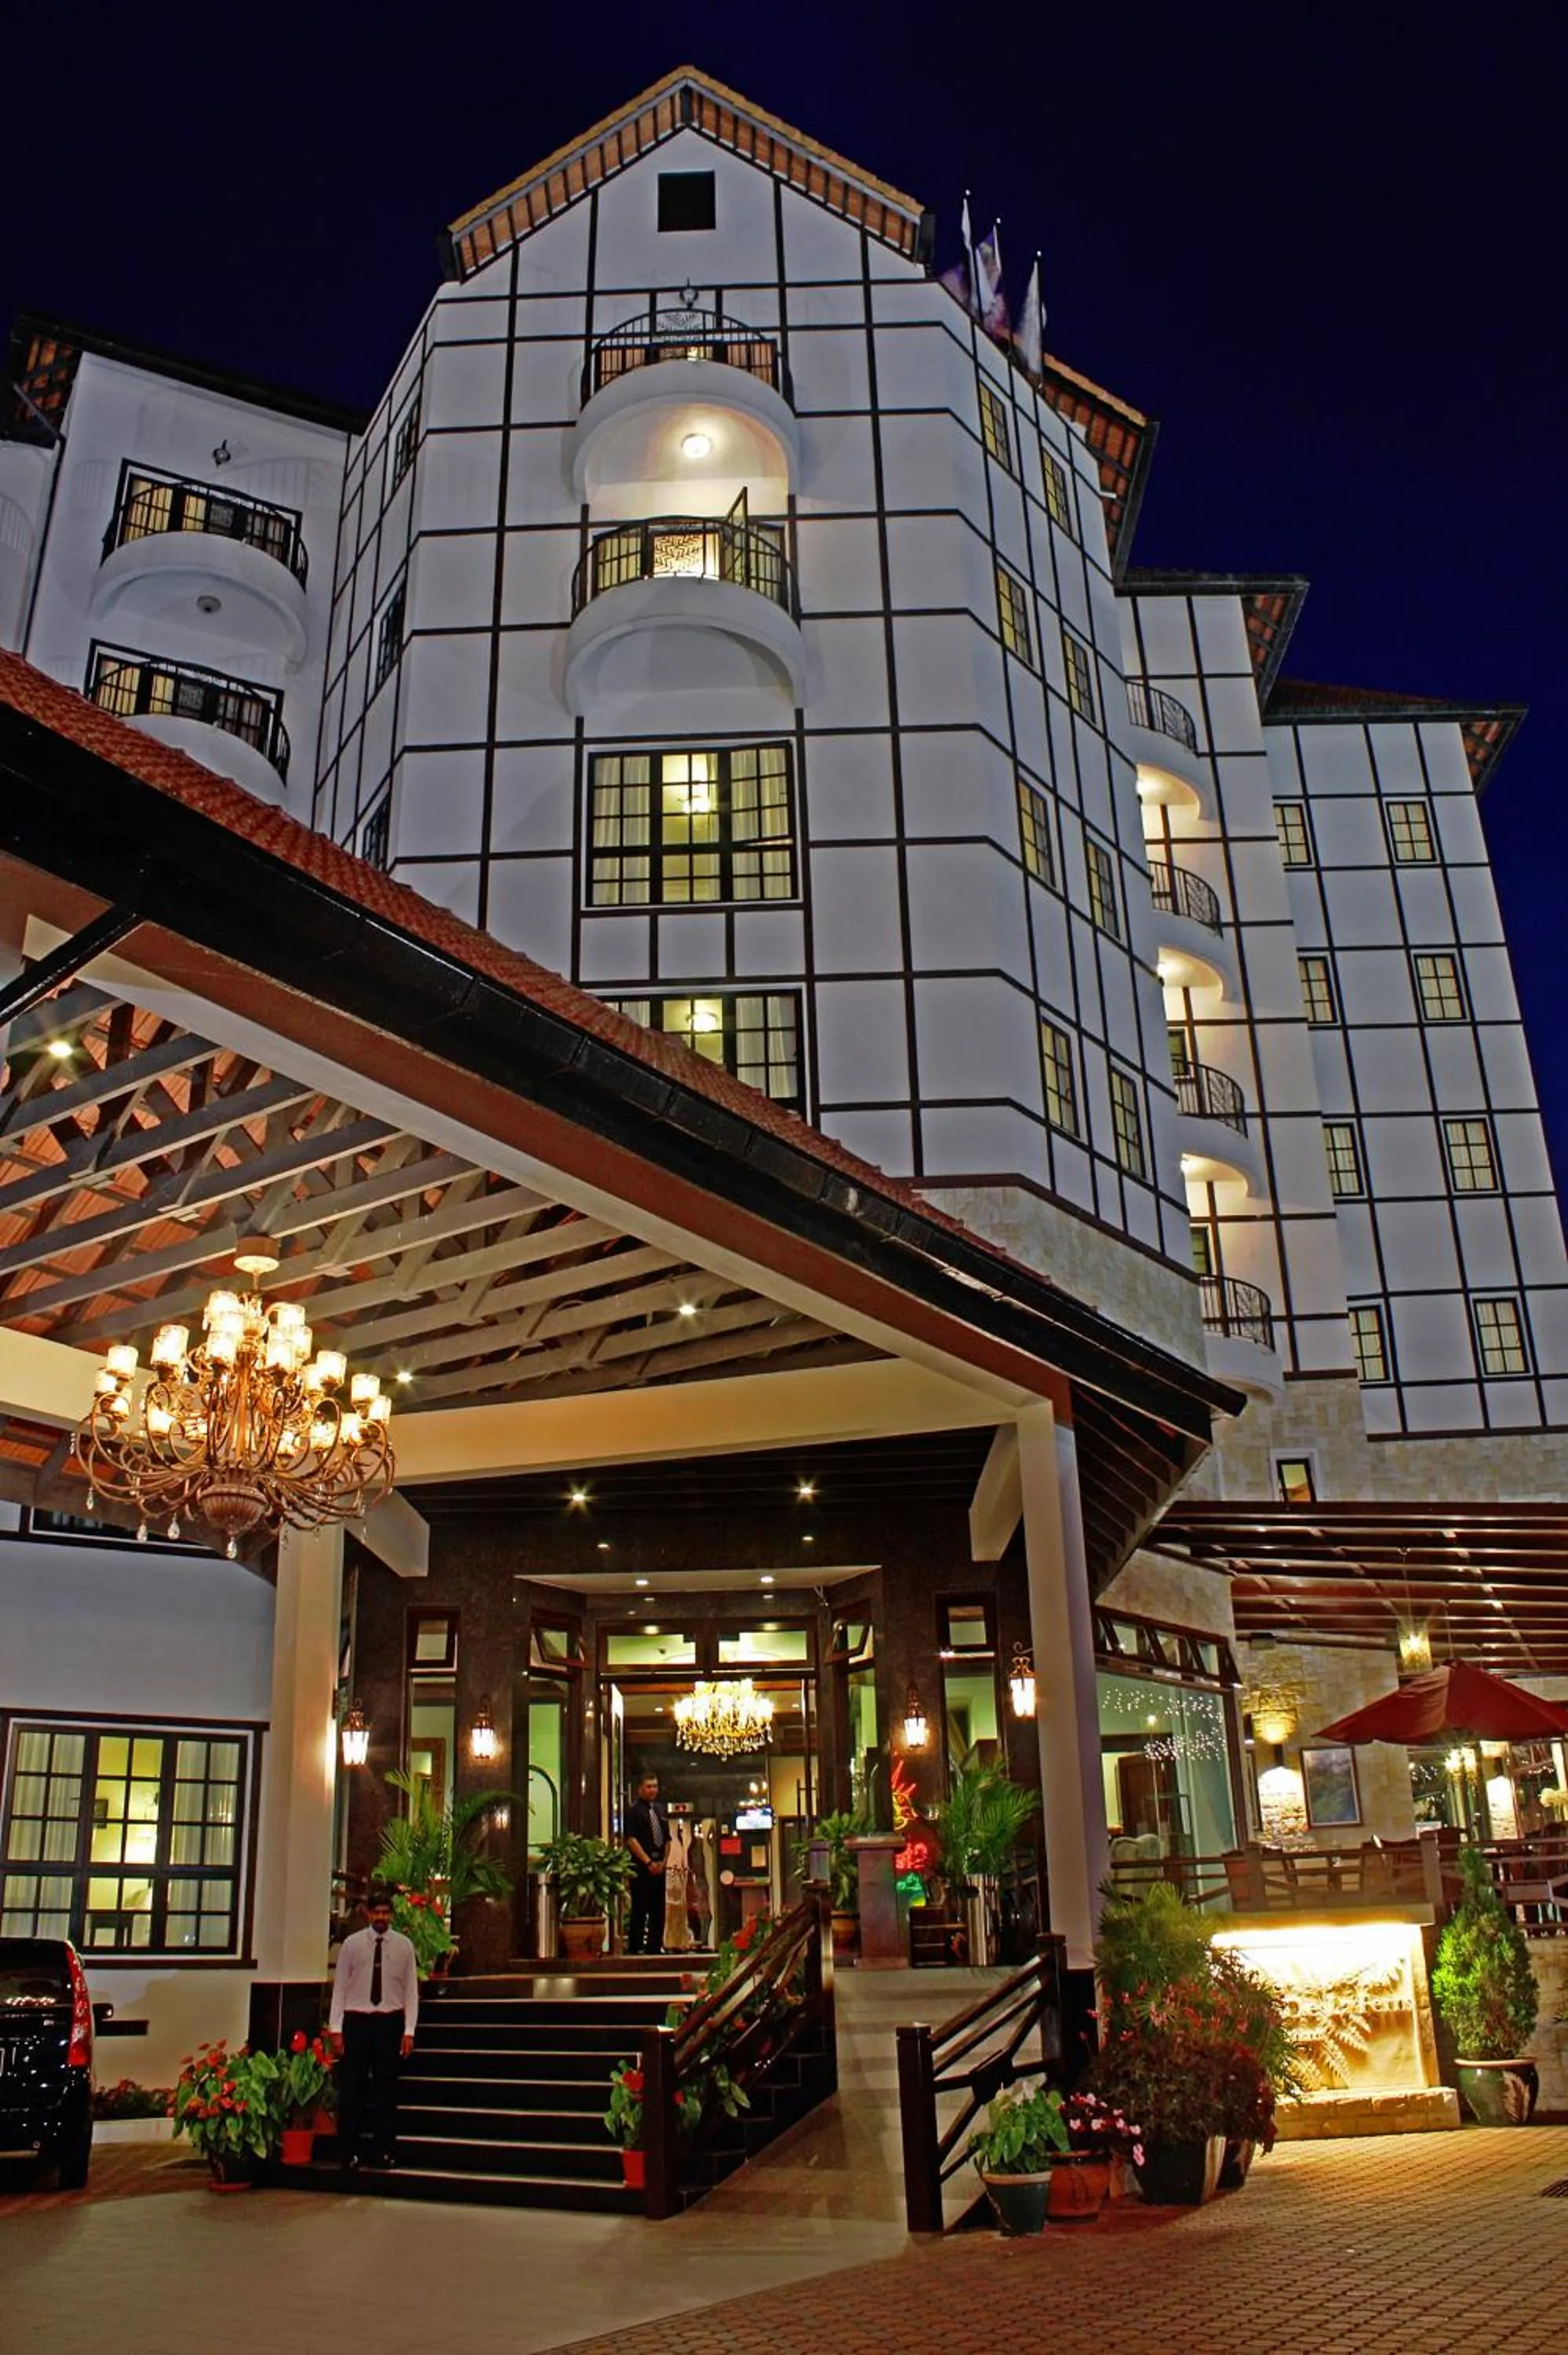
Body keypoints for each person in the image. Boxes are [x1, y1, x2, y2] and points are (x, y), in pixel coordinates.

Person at [330, 1889, 419, 2171]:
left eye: (385, 1912)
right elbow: (340, 1986)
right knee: (352, 2090)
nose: (381, 1917)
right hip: (357, 2021)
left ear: (391, 1915)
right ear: (368, 1914)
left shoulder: (404, 1946)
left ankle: (384, 2151)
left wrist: (409, 2031)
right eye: (376, 1912)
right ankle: (349, 2152)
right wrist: (336, 2028)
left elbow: (411, 1992)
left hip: (389, 2023)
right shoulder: (352, 1945)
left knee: (386, 2090)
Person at [624, 1771, 670, 1955]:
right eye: (649, 1786)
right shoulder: (633, 1812)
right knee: (640, 1907)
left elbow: (668, 1839)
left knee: (658, 1908)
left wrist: (663, 1862)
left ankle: (655, 1945)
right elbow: (631, 1839)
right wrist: (648, 1862)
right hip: (642, 1866)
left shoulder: (660, 1811)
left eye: (655, 1786)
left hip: (660, 1865)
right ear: (640, 1789)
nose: (653, 1790)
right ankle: (636, 1946)